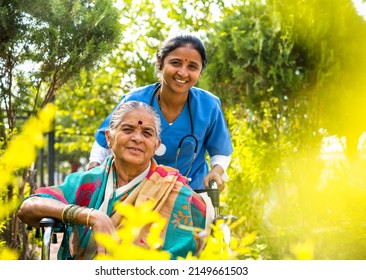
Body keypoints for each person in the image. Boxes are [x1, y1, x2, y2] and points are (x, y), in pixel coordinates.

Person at [18, 101, 214, 260]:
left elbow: (205, 227)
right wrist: (91, 216)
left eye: (147, 133)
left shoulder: (174, 191)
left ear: (156, 145)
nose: (137, 138)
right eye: (128, 129)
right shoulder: (85, 183)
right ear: (109, 137)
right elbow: (29, 207)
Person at [87, 33, 233, 191]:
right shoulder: (134, 100)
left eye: (192, 67)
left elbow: (221, 151)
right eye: (175, 63)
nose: (183, 73)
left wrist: (216, 171)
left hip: (191, 194)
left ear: (200, 71)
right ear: (160, 62)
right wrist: (94, 168)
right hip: (136, 192)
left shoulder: (208, 105)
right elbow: (103, 142)